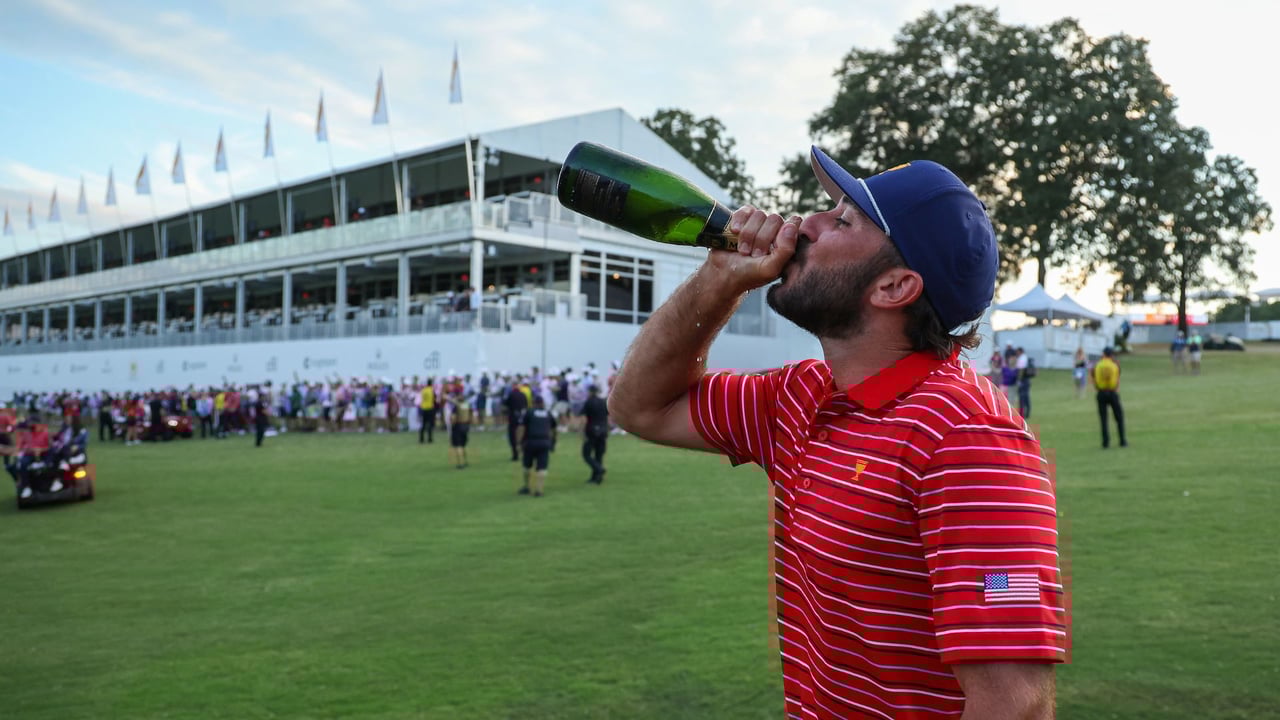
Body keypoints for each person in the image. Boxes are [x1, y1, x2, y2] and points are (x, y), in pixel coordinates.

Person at [608, 150, 1065, 718]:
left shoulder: (970, 442)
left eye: (843, 220)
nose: (805, 224)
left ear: (895, 286)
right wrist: (717, 281)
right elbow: (640, 407)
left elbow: (1015, 704)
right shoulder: (800, 397)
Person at [517, 395, 557, 497]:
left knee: (527, 466)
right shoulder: (548, 413)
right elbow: (553, 429)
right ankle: (539, 490)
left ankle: (526, 487)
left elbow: (522, 428)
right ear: (543, 403)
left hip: (530, 442)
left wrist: (519, 442)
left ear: (533, 403)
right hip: (544, 442)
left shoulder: (529, 412)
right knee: (542, 467)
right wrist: (553, 442)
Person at [1092, 346, 1128, 449]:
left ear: (1103, 354)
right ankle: (1122, 441)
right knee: (1119, 417)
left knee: (1103, 419)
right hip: (1112, 393)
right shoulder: (1115, 365)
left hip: (1101, 393)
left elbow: (1094, 378)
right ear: (1111, 354)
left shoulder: (1098, 365)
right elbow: (1117, 379)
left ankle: (1105, 442)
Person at [579, 385, 609, 484]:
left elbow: (584, 418)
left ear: (590, 392)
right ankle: (596, 478)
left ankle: (599, 469)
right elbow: (607, 416)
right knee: (599, 454)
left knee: (586, 454)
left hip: (591, 430)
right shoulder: (603, 402)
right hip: (603, 430)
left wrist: (582, 432)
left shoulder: (588, 402)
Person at [503, 378, 529, 461]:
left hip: (513, 418)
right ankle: (524, 453)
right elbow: (526, 406)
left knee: (513, 437)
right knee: (522, 436)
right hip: (522, 418)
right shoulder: (523, 395)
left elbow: (505, 404)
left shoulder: (511, 395)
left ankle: (515, 455)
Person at [449, 391, 472, 469]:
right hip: (466, 425)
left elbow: (453, 418)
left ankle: (460, 463)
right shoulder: (467, 405)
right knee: (463, 445)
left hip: (458, 426)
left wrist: (452, 423)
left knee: (458, 445)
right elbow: (471, 415)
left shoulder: (456, 406)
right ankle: (466, 461)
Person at [418, 377, 437, 444]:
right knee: (430, 424)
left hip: (423, 408)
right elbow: (435, 399)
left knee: (423, 424)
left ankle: (421, 439)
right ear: (431, 383)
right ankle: (429, 439)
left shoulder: (423, 390)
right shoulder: (432, 390)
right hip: (430, 408)